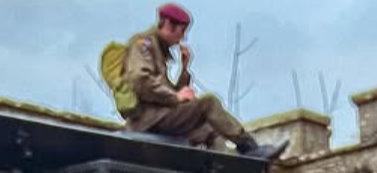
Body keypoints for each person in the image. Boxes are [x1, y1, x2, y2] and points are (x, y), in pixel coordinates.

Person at [122, 4, 289, 161]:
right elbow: (140, 81)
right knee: (208, 102)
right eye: (181, 32)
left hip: (159, 116)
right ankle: (249, 147)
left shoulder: (159, 50)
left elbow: (168, 94)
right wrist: (176, 97)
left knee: (210, 130)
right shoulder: (143, 44)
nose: (183, 37)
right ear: (168, 25)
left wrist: (184, 69)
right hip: (147, 120)